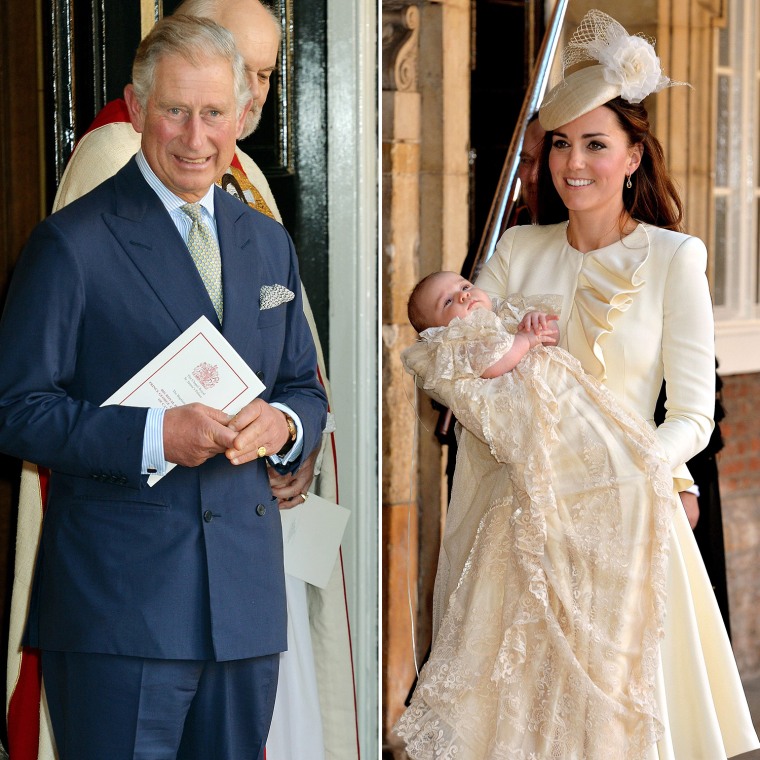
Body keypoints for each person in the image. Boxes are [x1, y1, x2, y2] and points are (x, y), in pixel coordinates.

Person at [5, 2, 359, 759]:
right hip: (118, 611)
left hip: (244, 607)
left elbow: (302, 384)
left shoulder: (267, 243)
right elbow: (19, 411)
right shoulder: (70, 244)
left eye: (213, 113)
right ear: (136, 109)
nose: (196, 139)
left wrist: (287, 427)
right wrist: (154, 434)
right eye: (174, 112)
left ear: (239, 115)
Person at [457, 9, 757, 758]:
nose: (573, 163)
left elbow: (692, 411)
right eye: (560, 143)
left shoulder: (673, 257)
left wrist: (640, 479)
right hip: (519, 528)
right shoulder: (514, 253)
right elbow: (462, 373)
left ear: (632, 157)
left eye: (595, 143)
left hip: (625, 528)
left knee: (612, 722)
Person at [396, 271, 682, 757]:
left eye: (464, 284)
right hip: (539, 470)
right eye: (449, 301)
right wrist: (523, 341)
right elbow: (490, 365)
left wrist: (529, 328)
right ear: (436, 328)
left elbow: (537, 341)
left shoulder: (498, 317)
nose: (465, 294)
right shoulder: (460, 343)